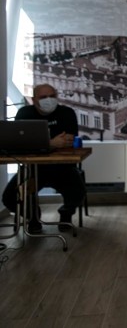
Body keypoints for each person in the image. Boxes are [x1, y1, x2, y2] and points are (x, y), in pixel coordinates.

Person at [1, 83, 85, 233]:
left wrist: (39, 144)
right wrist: (51, 143)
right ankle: (33, 216)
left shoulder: (67, 113)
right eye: (44, 97)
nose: (49, 100)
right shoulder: (24, 114)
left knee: (78, 193)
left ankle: (66, 214)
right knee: (9, 197)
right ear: (34, 99)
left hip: (62, 168)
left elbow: (69, 141)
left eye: (52, 96)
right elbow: (18, 143)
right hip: (32, 170)